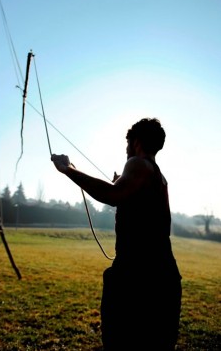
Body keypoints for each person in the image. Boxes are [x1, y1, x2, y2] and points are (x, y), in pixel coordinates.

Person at [51, 117, 182, 351]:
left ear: (136, 142)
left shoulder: (138, 164)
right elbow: (132, 202)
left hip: (137, 278)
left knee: (120, 342)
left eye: (127, 143)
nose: (126, 150)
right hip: (164, 276)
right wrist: (122, 189)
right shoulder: (159, 177)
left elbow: (112, 195)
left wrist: (68, 170)